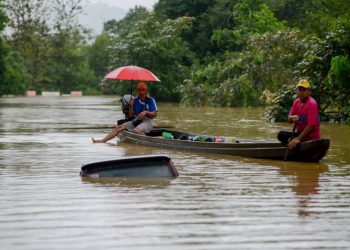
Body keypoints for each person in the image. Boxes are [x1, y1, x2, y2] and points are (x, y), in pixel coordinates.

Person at [92, 81, 158, 143]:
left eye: (143, 90)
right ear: (137, 90)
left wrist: (146, 112)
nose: (140, 92)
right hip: (137, 121)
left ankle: (152, 141)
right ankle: (102, 141)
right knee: (119, 127)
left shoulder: (150, 100)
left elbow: (155, 114)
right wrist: (131, 105)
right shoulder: (135, 100)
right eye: (139, 90)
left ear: (146, 91)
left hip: (147, 122)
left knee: (135, 130)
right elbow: (131, 115)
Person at [277, 79, 320, 149]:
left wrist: (298, 139)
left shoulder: (312, 104)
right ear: (296, 91)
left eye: (304, 90)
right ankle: (292, 144)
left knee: (293, 139)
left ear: (309, 91)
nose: (301, 92)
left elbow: (311, 125)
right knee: (281, 135)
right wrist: (292, 117)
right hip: (300, 133)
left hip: (310, 137)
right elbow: (289, 120)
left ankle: (294, 142)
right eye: (300, 90)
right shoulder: (296, 102)